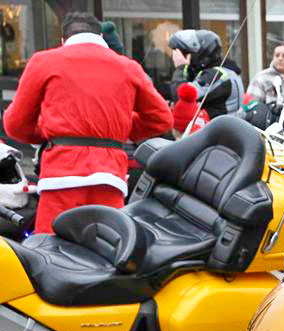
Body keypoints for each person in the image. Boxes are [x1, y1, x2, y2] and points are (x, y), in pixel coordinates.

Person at [2, 12, 171, 234]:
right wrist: (114, 128)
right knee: (107, 247)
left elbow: (15, 124)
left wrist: (49, 130)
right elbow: (161, 119)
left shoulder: (44, 61)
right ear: (100, 37)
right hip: (110, 178)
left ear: (63, 40)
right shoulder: (128, 67)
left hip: (60, 176)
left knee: (51, 249)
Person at [168, 29, 244, 117]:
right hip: (214, 124)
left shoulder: (217, 75)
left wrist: (181, 68)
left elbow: (183, 100)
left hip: (221, 125)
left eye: (185, 54)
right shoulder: (216, 71)